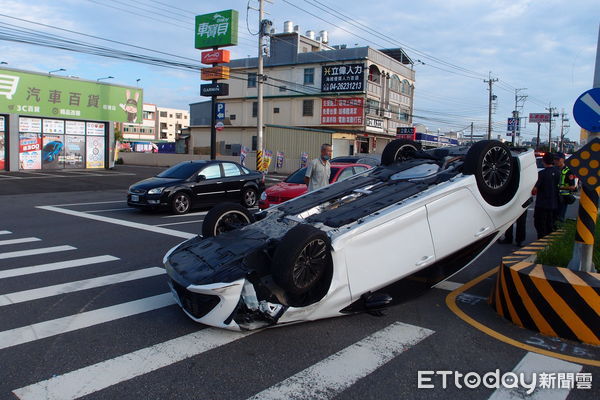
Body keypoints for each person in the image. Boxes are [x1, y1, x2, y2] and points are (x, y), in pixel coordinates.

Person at [532, 152, 560, 239]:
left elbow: (535, 189)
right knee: (550, 224)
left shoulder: (541, 174)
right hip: (554, 203)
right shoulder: (558, 173)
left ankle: (541, 241)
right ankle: (548, 242)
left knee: (540, 225)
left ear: (544, 161)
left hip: (542, 204)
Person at [554, 152, 577, 222]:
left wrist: (560, 188)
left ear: (563, 160)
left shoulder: (568, 171)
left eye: (558, 159)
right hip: (554, 196)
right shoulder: (554, 169)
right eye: (554, 159)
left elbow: (573, 187)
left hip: (563, 198)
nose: (555, 161)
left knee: (560, 217)